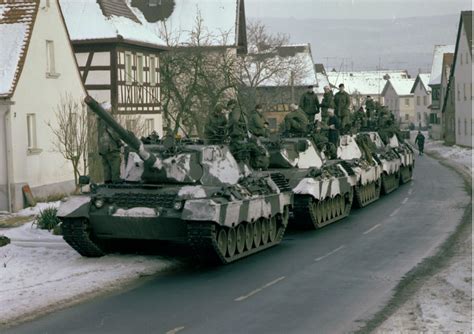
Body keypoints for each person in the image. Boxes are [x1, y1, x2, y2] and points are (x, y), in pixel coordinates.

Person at [97, 118, 122, 183]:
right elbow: (112, 132)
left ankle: (107, 181)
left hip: (103, 148)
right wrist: (119, 141)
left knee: (106, 166)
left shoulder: (100, 122)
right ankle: (116, 180)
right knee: (115, 164)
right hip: (111, 147)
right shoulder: (107, 119)